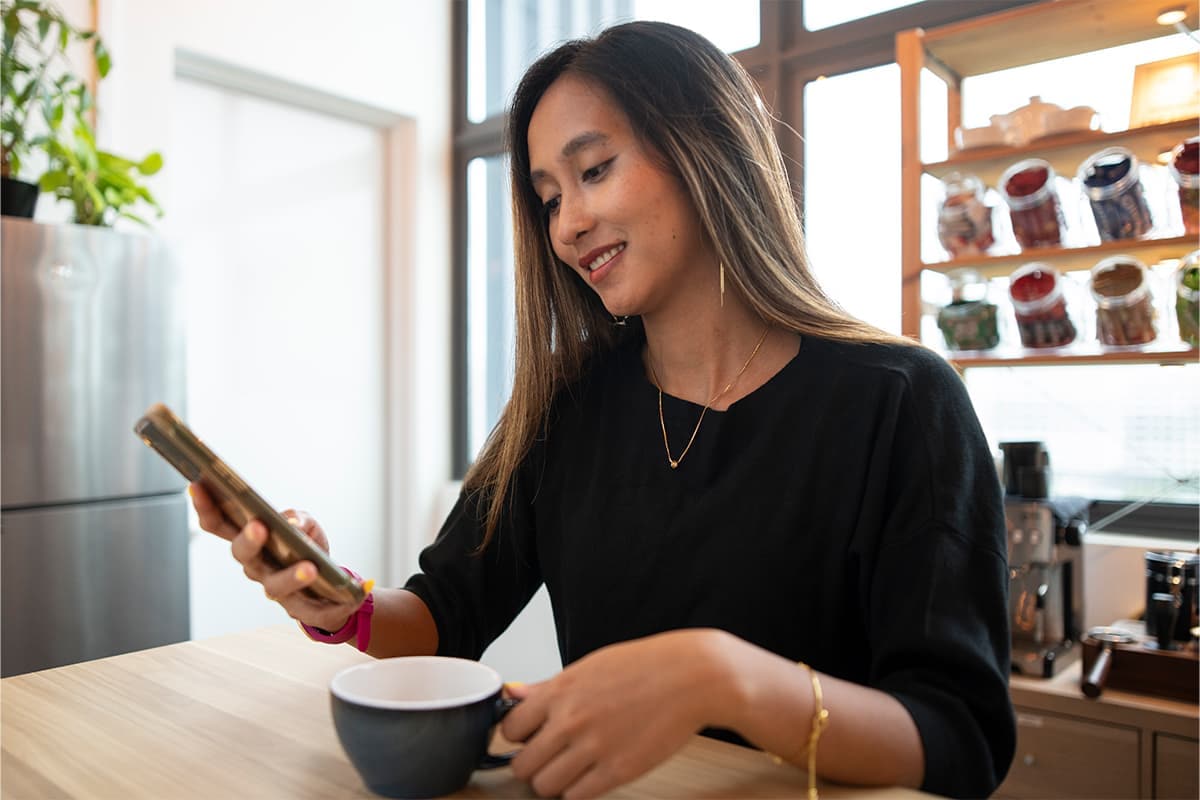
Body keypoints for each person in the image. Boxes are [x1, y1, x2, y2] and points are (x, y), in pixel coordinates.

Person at [192, 20, 1015, 800]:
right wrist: (343, 604)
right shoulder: (563, 404)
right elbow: (445, 618)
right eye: (549, 198)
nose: (568, 226)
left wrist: (719, 678)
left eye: (593, 171)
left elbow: (956, 742)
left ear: (708, 151)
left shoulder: (903, 402)